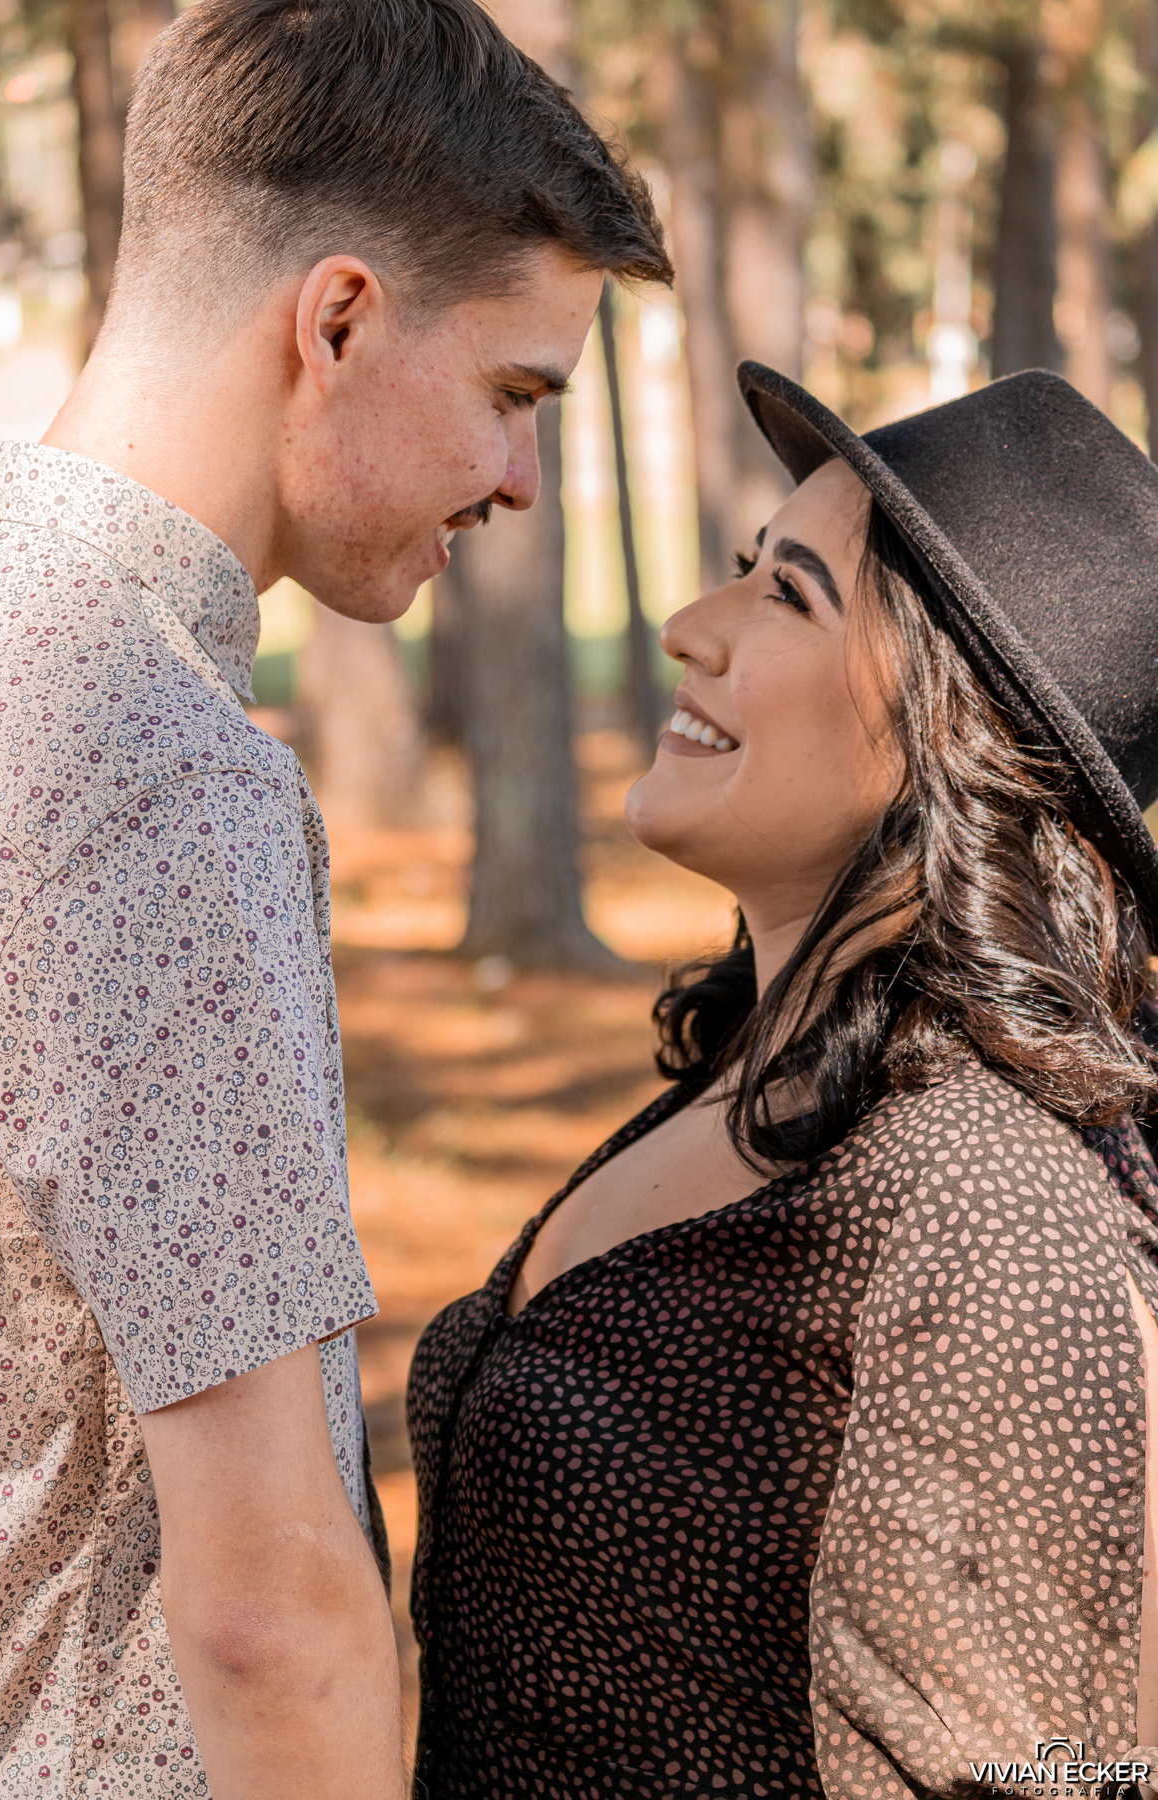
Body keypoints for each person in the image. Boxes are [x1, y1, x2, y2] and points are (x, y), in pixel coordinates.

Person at [0, 1, 670, 1795]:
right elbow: (273, 1611)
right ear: (336, 319)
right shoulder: (149, 766)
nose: (521, 481)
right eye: (514, 397)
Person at [407, 364, 1158, 1799]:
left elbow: (1038, 1778)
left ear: (953, 737)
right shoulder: (765, 1067)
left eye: (788, 595)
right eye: (748, 566)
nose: (692, 626)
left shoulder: (985, 1198)